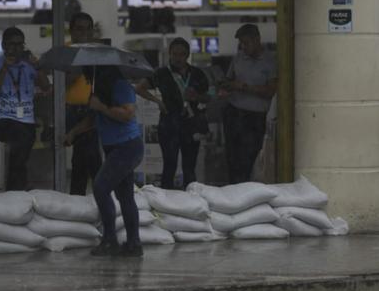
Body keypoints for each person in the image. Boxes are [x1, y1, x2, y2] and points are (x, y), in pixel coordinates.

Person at [66, 66, 144, 257]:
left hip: (127, 147)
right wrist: (73, 133)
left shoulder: (121, 86)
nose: (86, 78)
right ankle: (134, 243)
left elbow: (127, 114)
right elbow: (93, 119)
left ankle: (110, 240)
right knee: (125, 195)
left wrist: (101, 106)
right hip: (113, 148)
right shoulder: (99, 89)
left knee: (100, 187)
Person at [136, 38, 209, 189]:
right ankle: (166, 204)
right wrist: (158, 101)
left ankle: (191, 203)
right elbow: (139, 88)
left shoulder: (197, 74)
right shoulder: (161, 73)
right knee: (169, 166)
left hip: (191, 125)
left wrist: (196, 97)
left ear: (188, 54)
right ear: (169, 54)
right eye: (174, 54)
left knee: (189, 168)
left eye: (182, 54)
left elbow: (209, 96)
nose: (178, 58)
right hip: (169, 124)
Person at [0, 27, 51, 191]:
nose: (16, 49)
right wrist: (5, 68)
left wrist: (38, 66)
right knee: (20, 137)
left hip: (26, 121)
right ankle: (17, 186)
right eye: (12, 44)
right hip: (3, 120)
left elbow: (46, 86)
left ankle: (16, 187)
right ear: (3, 45)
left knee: (22, 142)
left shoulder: (28, 65)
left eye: (20, 45)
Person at [220, 23, 276, 184]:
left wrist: (244, 87)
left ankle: (247, 189)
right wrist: (225, 86)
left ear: (257, 40)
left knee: (250, 157)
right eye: (241, 44)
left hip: (255, 117)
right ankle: (234, 189)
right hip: (234, 113)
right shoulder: (238, 59)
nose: (243, 47)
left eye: (246, 43)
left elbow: (270, 90)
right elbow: (229, 80)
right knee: (233, 158)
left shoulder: (270, 61)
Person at [65, 12, 102, 195]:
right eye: (80, 29)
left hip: (91, 109)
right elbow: (62, 82)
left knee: (89, 155)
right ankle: (87, 196)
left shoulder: (98, 53)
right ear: (71, 31)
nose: (84, 33)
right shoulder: (64, 52)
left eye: (88, 29)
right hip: (69, 109)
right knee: (86, 155)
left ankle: (84, 196)